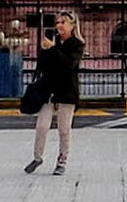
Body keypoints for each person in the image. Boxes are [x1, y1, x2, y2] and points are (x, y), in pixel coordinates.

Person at [25, 12, 85, 175]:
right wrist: (44, 51)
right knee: (42, 126)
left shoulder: (77, 44)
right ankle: (37, 157)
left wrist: (52, 49)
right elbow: (42, 66)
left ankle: (62, 160)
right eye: (58, 22)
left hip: (67, 92)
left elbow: (68, 64)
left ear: (72, 25)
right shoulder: (53, 41)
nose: (59, 25)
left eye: (63, 22)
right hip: (49, 91)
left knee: (64, 130)